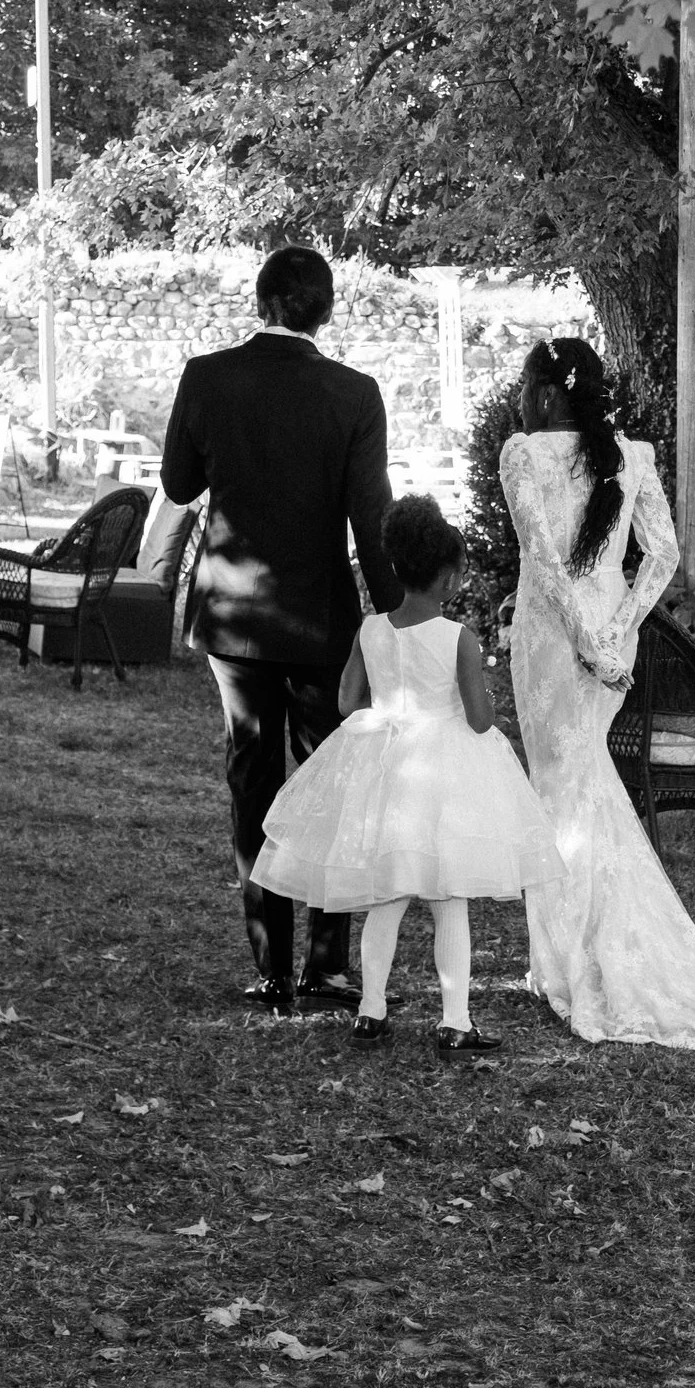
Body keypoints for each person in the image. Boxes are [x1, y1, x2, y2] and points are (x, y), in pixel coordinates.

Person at [500, 338, 695, 1050]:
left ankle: (574, 962)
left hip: (555, 641)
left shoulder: (522, 453)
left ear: (548, 393)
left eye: (524, 386)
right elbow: (664, 556)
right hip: (608, 635)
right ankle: (572, 953)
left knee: (560, 786)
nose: (519, 400)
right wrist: (618, 628)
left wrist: (587, 638)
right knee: (582, 784)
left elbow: (543, 561)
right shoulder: (633, 455)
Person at [162, 247, 404, 1015]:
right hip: (319, 618)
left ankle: (270, 966)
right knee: (327, 781)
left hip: (231, 615)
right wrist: (399, 611)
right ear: (326, 311)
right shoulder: (355, 394)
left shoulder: (208, 377)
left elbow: (176, 484)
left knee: (251, 775)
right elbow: (372, 517)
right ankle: (326, 965)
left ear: (261, 300)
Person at [251, 496, 564, 1055]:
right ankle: (456, 1022)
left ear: (395, 567)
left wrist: (390, 704)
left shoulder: (371, 629)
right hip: (445, 776)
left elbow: (347, 702)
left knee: (386, 899)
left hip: (388, 770)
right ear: (449, 578)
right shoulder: (458, 638)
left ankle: (370, 1012)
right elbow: (478, 718)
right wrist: (482, 690)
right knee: (450, 901)